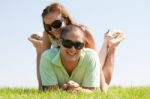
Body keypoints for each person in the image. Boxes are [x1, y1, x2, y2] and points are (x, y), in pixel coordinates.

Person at [28, 2, 124, 91]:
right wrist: (41, 86)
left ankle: (109, 44)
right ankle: (38, 44)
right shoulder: (48, 35)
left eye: (56, 24)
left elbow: (95, 61)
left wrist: (103, 87)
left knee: (103, 79)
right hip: (67, 62)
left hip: (84, 61)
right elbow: (43, 61)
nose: (53, 29)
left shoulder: (83, 32)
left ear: (66, 19)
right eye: (48, 27)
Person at [40, 24, 101, 93]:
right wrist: (64, 90)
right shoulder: (47, 58)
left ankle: (110, 44)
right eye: (67, 43)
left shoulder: (91, 57)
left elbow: (93, 92)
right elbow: (49, 92)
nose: (72, 49)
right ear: (60, 42)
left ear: (83, 46)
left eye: (78, 45)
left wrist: (78, 90)